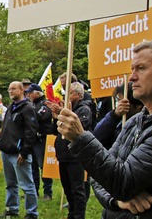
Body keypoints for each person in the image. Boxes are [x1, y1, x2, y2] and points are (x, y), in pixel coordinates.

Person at [58, 40, 152, 218]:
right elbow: (99, 178)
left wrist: (80, 138)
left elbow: (122, 182)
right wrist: (117, 201)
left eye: (141, 68)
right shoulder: (136, 120)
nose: (132, 77)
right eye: (132, 69)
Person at [50, 82, 92, 219]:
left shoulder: (84, 109)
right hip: (63, 155)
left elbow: (79, 127)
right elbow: (54, 130)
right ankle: (71, 214)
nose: (66, 95)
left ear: (78, 95)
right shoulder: (68, 109)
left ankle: (79, 216)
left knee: (77, 189)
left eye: (70, 93)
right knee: (68, 189)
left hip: (75, 156)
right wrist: (56, 117)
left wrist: (64, 113)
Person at [0, 81, 39, 219]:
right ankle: (12, 208)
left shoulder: (27, 108)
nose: (10, 91)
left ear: (22, 90)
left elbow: (31, 131)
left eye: (14, 89)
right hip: (6, 151)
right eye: (9, 89)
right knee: (10, 184)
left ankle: (32, 213)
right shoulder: (11, 107)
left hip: (19, 153)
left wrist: (24, 151)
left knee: (27, 185)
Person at [25, 83, 55, 201]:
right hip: (33, 139)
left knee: (44, 167)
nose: (28, 95)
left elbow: (39, 117)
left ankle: (48, 192)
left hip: (42, 139)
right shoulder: (33, 105)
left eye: (30, 93)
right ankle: (34, 191)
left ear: (37, 93)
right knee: (33, 167)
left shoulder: (44, 104)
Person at [93, 83, 144, 149]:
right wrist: (114, 115)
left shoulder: (141, 125)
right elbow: (97, 137)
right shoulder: (117, 122)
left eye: (123, 102)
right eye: (118, 100)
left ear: (138, 105)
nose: (119, 104)